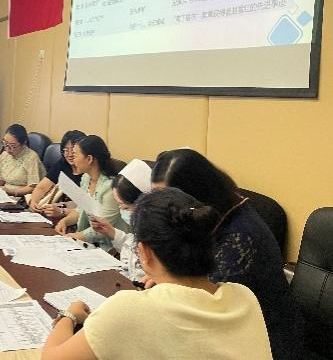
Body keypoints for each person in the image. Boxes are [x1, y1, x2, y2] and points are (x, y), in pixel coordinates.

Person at [42, 187, 272, 360]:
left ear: (144, 252)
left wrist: (69, 315)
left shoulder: (128, 309)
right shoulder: (244, 297)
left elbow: (52, 357)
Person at [150, 148, 302, 359]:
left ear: (195, 195)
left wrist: (165, 279)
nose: (162, 209)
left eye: (168, 201)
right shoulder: (213, 213)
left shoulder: (241, 238)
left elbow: (205, 301)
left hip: (264, 341)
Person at [54, 135, 127, 249]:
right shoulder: (86, 178)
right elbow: (81, 210)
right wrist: (64, 221)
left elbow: (102, 228)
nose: (73, 160)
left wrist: (73, 237)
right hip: (89, 242)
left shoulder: (110, 187)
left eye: (75, 155)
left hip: (110, 247)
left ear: (89, 159)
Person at [88, 159, 152, 281]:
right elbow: (132, 244)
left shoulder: (157, 232)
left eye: (125, 207)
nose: (122, 210)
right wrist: (110, 231)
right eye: (119, 205)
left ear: (143, 203)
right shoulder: (141, 226)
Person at [29, 130, 86, 218]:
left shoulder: (88, 172)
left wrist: (62, 211)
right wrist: (34, 202)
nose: (70, 155)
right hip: (52, 212)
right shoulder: (62, 164)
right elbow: (42, 187)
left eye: (73, 151)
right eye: (66, 150)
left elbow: (86, 208)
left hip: (74, 217)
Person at [0, 123, 45, 196]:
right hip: (4, 193)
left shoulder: (31, 157)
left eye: (12, 146)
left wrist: (12, 192)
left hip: (21, 196)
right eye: (5, 143)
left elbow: (32, 187)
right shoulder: (5, 154)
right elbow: (0, 181)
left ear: (24, 143)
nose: (7, 149)